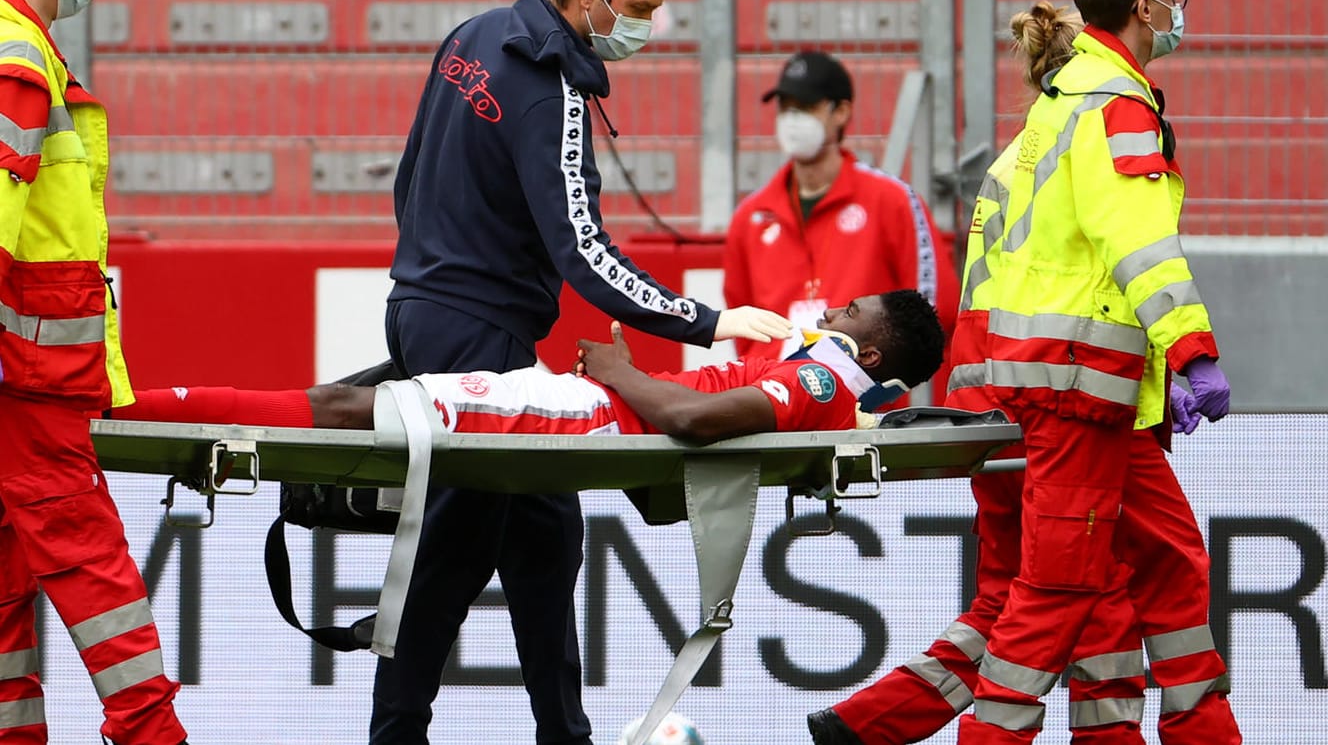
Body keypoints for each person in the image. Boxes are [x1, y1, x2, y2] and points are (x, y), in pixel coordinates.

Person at [376, 0, 792, 743]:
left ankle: (560, 731)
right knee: (457, 548)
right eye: (638, 9)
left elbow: (409, 171)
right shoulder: (554, 91)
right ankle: (406, 734)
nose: (645, 28)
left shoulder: (475, 31)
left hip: (425, 308)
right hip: (480, 336)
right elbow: (586, 256)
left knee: (543, 532)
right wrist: (708, 320)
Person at [809, 3, 1165, 745]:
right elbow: (1126, 273)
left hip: (991, 403)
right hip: (1061, 403)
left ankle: (865, 723)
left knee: (1012, 597)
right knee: (1077, 594)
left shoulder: (1016, 159)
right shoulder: (1090, 143)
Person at [944, 0, 1239, 744]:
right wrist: (1191, 352)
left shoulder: (1053, 108)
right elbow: (1138, 246)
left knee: (1174, 563)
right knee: (1056, 595)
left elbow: (1001, 254)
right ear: (1145, 8)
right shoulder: (1115, 106)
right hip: (1075, 389)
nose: (1182, 10)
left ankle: (1202, 730)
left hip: (1061, 381)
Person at [0, 0, 189, 743]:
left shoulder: (23, 53)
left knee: (6, 589)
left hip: (24, 376)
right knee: (94, 567)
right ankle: (153, 733)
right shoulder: (17, 60)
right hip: (29, 385)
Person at [111, 291, 946, 447]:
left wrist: (619, 369)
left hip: (583, 415)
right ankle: (120, 409)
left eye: (848, 313)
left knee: (342, 408)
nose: (828, 310)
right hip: (579, 403)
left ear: (868, 352)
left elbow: (692, 421)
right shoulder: (823, 373)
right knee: (348, 399)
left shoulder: (823, 380)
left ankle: (115, 411)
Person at [724, 50, 958, 365]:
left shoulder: (891, 199)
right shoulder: (750, 216)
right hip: (771, 395)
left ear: (841, 112)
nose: (793, 120)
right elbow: (744, 324)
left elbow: (935, 309)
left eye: (806, 107)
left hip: (863, 395)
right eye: (786, 108)